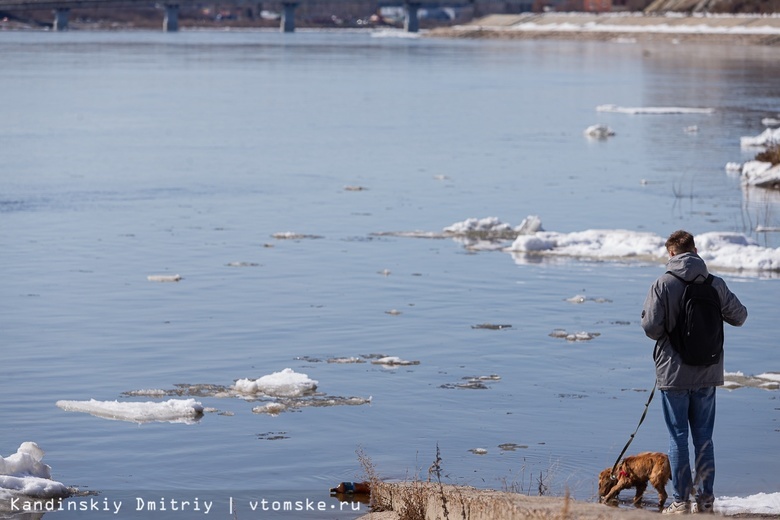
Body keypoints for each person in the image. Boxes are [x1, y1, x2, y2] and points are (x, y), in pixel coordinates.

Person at [641, 230, 747, 515]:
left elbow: (651, 328)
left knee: (677, 438)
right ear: (695, 250)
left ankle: (680, 502)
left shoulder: (662, 284)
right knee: (703, 438)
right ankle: (706, 500)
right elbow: (740, 316)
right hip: (707, 371)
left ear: (671, 254)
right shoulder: (715, 283)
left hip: (673, 373)